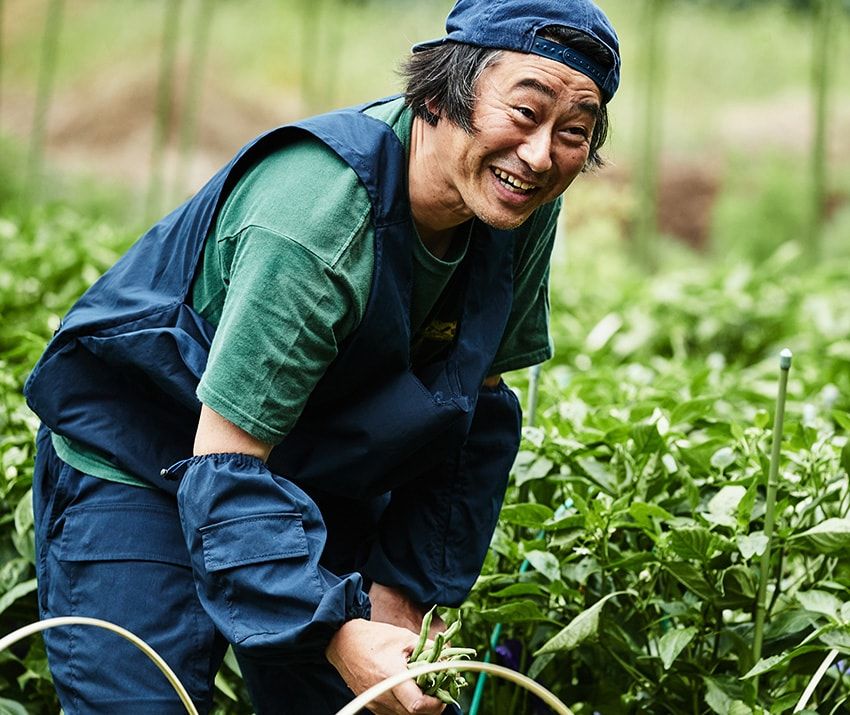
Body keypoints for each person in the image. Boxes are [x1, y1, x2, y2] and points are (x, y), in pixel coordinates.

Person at [24, 0, 620, 712]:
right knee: (144, 701)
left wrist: (399, 595)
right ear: (440, 93)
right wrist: (337, 629)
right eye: (524, 113)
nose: (540, 153)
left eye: (573, 133)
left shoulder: (515, 200)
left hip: (304, 467)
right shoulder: (320, 211)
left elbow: (474, 408)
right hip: (150, 454)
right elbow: (226, 460)